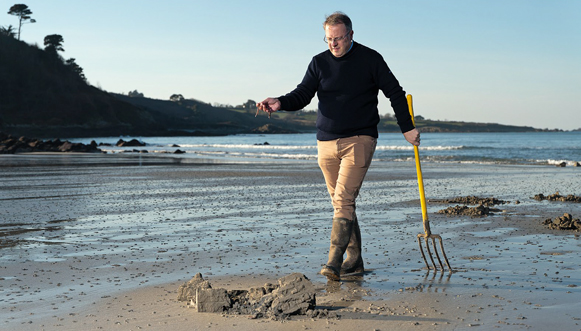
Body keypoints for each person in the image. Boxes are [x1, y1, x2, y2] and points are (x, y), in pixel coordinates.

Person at [257, 11, 420, 281]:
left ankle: (333, 262)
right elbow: (303, 94)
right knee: (341, 203)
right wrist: (280, 102)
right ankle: (354, 261)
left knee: (343, 199)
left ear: (351, 35)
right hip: (326, 142)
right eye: (328, 39)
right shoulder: (319, 63)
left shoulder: (371, 59)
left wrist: (407, 127)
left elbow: (395, 92)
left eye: (338, 38)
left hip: (360, 139)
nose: (333, 44)